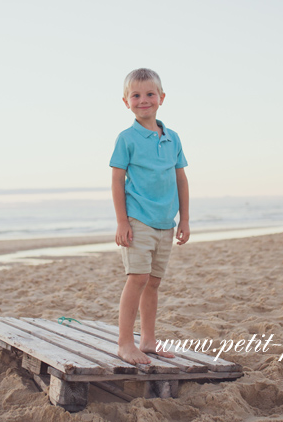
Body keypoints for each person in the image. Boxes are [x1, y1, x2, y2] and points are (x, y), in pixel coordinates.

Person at [109, 68, 190, 365]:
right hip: (137, 219)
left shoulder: (173, 138)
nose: (143, 100)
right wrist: (121, 221)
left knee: (153, 282)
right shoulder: (126, 138)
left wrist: (185, 219)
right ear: (126, 101)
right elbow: (117, 180)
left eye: (150, 94)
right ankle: (124, 343)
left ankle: (149, 341)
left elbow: (181, 180)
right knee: (137, 278)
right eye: (136, 95)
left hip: (165, 222)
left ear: (162, 98)